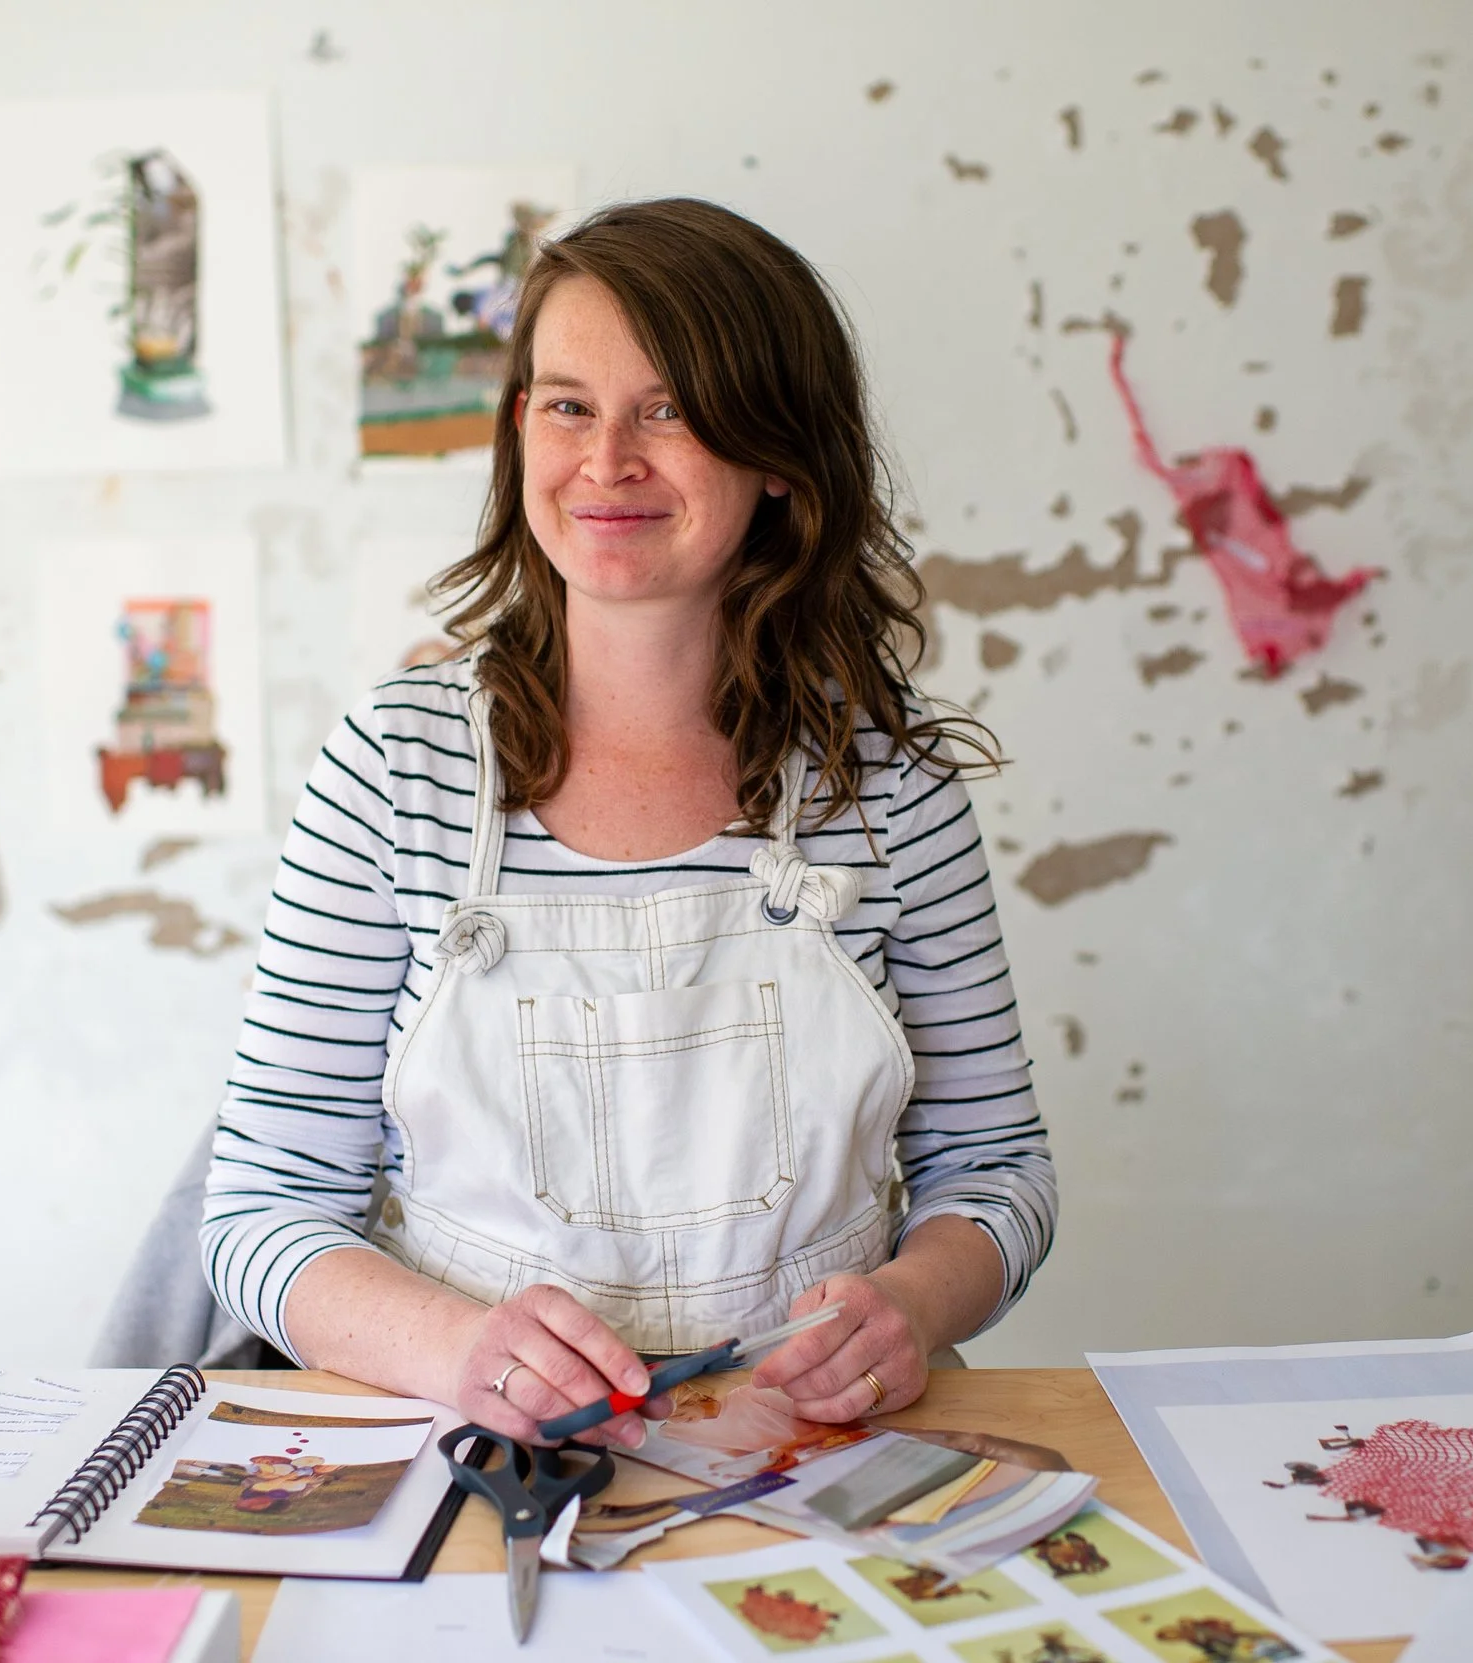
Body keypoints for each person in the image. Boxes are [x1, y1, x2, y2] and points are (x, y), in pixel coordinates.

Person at [200, 198, 1057, 1451]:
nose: (606, 461)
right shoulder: (395, 767)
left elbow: (995, 1166)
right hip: (478, 1450)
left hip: (812, 1448)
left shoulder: (889, 782)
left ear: (778, 452)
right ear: (519, 430)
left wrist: (914, 1307)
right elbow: (261, 1207)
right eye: (568, 405)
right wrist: (456, 1350)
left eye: (668, 410)